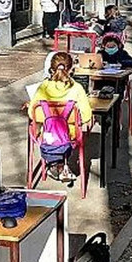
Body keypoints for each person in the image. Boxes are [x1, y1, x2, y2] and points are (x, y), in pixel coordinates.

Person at [28, 52, 92, 182]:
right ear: (71, 69)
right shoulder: (77, 88)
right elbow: (86, 116)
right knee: (81, 130)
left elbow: (32, 113)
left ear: (51, 69)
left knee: (36, 128)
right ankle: (61, 162)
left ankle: (55, 163)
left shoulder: (43, 87)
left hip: (47, 135)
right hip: (69, 135)